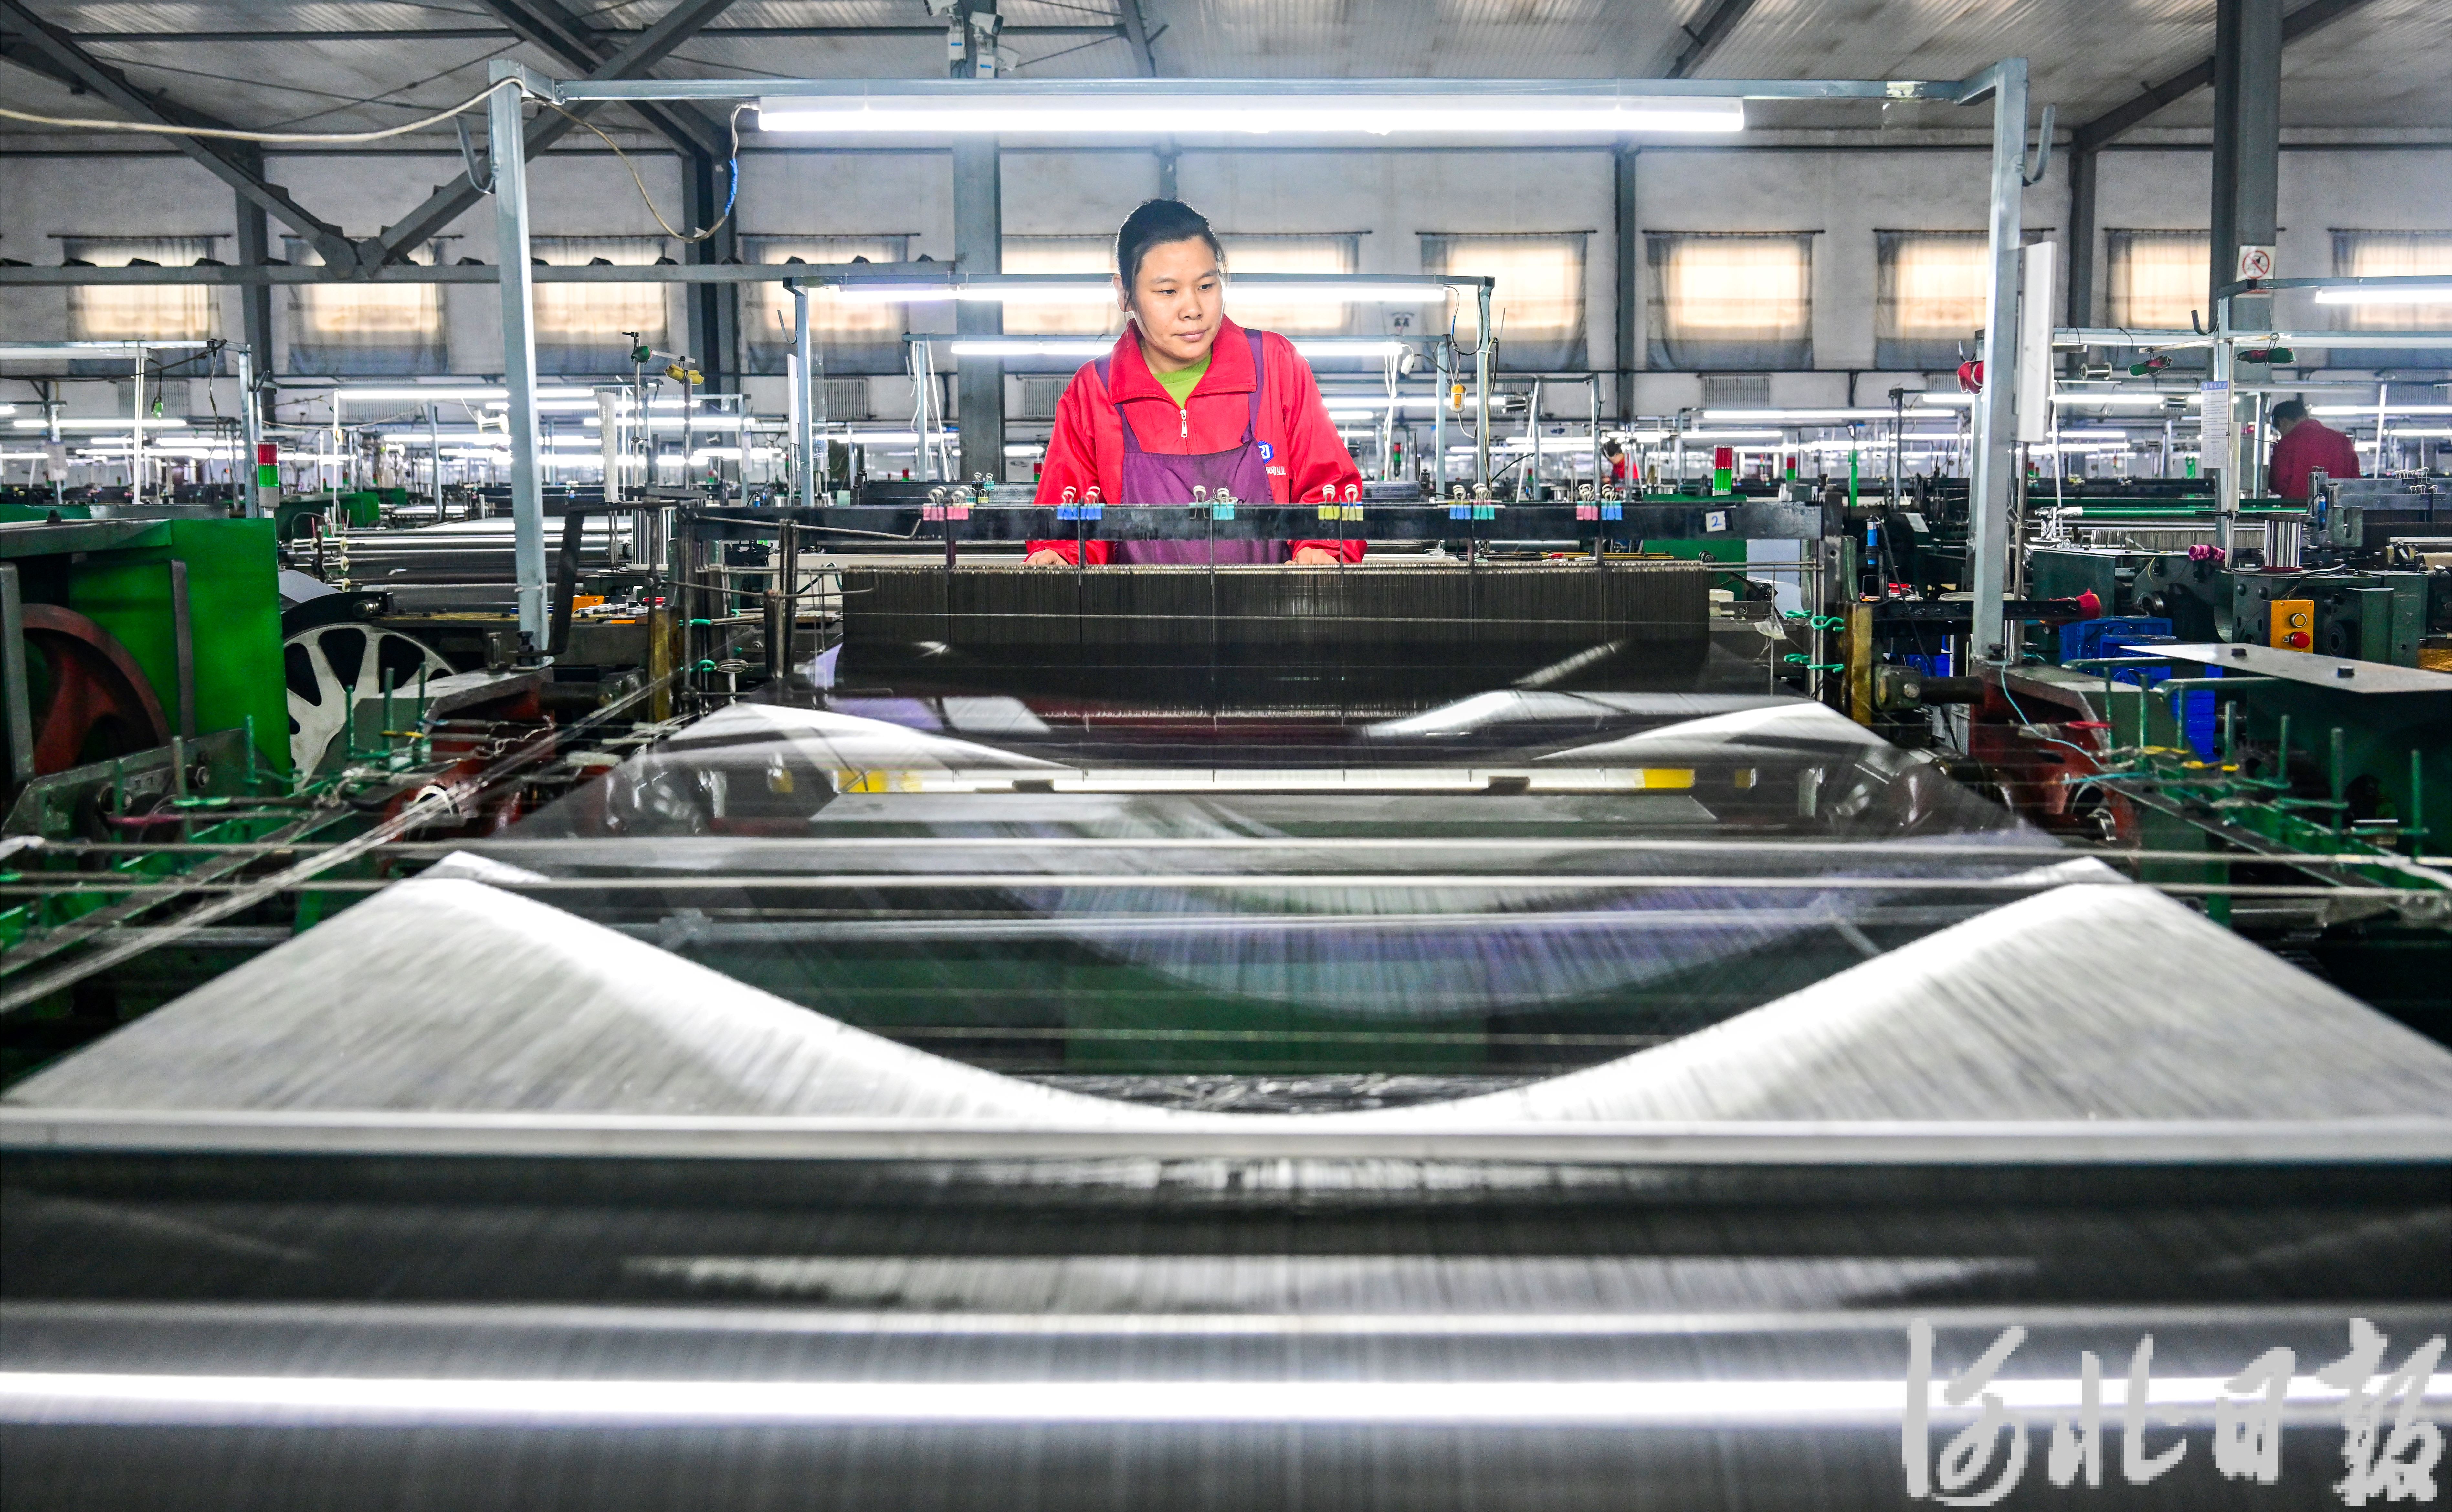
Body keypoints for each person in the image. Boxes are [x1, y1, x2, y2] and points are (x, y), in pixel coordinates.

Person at [1026, 199, 1364, 566]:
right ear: (1124, 294)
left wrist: (1323, 548)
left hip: (1268, 601)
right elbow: (1069, 517)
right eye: (1168, 292)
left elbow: (1331, 489)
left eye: (1206, 286)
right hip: (1136, 603)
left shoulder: (1275, 365)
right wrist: (1059, 556)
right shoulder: (1095, 390)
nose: (1193, 310)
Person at [2266, 397, 2360, 501]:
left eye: (2280, 431)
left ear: (2282, 422)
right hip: (2339, 508)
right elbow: (2355, 482)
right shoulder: (2343, 441)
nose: (2282, 435)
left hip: (2297, 509)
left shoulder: (2286, 444)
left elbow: (2278, 484)